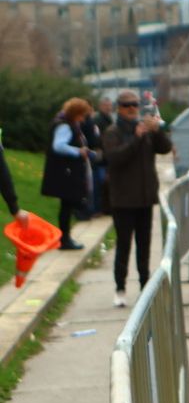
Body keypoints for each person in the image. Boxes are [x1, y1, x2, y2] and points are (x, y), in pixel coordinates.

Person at [101, 92, 173, 305]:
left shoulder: (147, 130)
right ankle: (120, 288)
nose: (132, 109)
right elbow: (115, 158)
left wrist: (157, 130)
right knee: (124, 244)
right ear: (119, 108)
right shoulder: (113, 132)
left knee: (145, 244)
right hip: (123, 199)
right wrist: (137, 138)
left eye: (135, 105)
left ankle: (144, 285)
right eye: (127, 105)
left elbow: (165, 148)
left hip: (144, 197)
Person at [42, 98, 94, 250]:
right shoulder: (64, 125)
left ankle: (65, 237)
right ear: (75, 113)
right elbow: (58, 146)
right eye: (82, 115)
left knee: (68, 205)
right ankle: (64, 239)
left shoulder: (68, 123)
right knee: (67, 205)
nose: (83, 119)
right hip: (65, 173)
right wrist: (78, 151)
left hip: (67, 171)